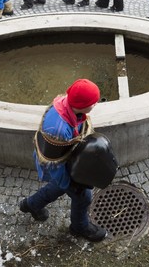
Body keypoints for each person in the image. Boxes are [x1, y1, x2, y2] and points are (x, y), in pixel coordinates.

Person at [19, 79, 107, 243]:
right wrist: (71, 184)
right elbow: (55, 166)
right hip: (58, 165)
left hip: (65, 159)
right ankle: (79, 227)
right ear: (81, 105)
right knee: (83, 197)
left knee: (58, 187)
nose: (95, 105)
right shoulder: (58, 129)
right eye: (93, 103)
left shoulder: (68, 105)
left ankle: (31, 204)